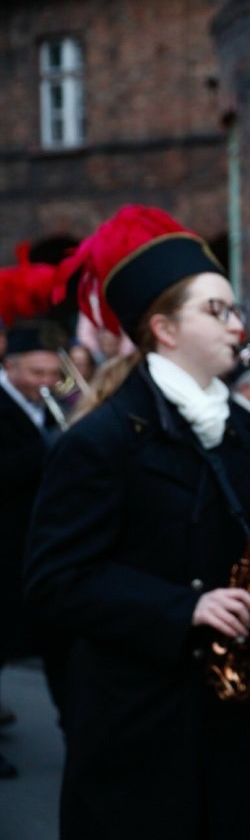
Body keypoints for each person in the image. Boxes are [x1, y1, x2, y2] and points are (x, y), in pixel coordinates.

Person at [23, 205, 250, 839]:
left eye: (234, 308)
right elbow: (55, 578)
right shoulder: (101, 440)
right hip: (137, 723)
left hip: (234, 717)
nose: (237, 324)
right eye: (216, 311)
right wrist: (181, 608)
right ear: (163, 329)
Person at [0, 320, 65, 779]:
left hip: (33, 543)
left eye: (51, 374)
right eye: (36, 373)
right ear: (10, 367)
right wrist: (48, 452)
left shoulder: (47, 406)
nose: (45, 383)